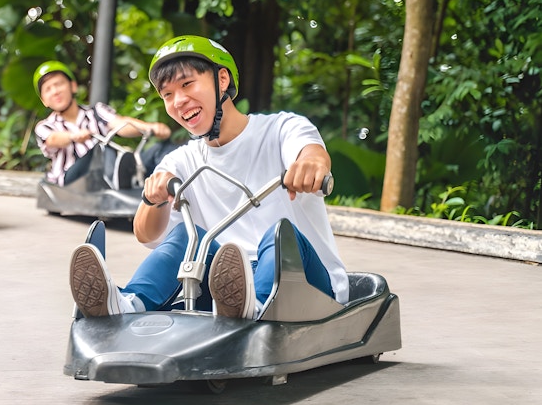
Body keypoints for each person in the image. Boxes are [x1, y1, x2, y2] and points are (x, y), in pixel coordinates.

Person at [68, 35, 349, 319]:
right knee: (183, 237)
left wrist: (311, 164)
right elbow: (145, 234)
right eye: (167, 94)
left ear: (222, 80)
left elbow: (310, 152)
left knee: (279, 235)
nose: (178, 101)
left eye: (187, 84)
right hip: (226, 290)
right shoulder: (181, 160)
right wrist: (153, 199)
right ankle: (128, 304)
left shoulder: (281, 129)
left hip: (310, 287)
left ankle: (258, 306)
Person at [32, 60, 173, 189]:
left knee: (160, 149)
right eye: (48, 89)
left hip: (108, 168)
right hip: (72, 180)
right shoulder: (44, 126)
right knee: (100, 149)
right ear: (44, 100)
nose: (55, 91)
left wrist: (151, 127)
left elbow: (120, 123)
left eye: (59, 84)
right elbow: (53, 139)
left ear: (73, 86)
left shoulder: (96, 111)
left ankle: (168, 188)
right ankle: (118, 183)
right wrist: (74, 136)